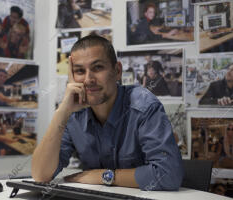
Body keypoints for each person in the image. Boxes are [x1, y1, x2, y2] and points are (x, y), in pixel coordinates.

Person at [32, 35, 183, 190]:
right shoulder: (73, 114)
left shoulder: (144, 106)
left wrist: (103, 176)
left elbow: (168, 174)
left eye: (97, 67)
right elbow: (40, 175)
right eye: (79, 71)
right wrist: (62, 110)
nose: (88, 79)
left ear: (117, 71)